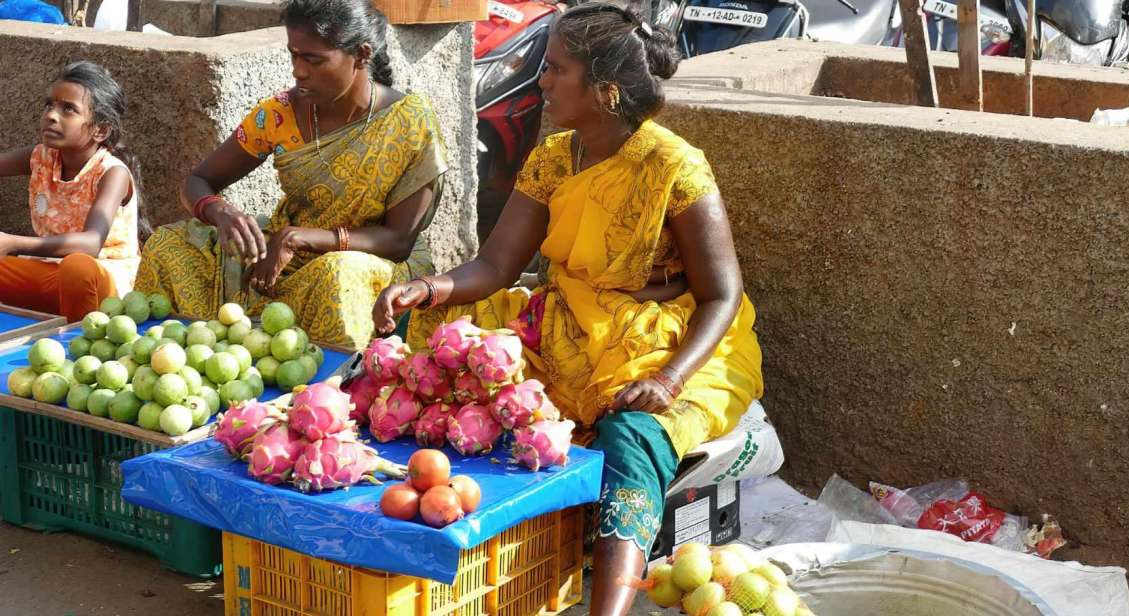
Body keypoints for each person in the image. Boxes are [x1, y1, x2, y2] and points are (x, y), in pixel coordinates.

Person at [372, 4, 763, 614]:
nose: (542, 82)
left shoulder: (675, 167)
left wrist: (668, 380)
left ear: (605, 90)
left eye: (554, 69)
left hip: (669, 344)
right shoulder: (555, 156)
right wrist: (427, 290)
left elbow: (722, 294)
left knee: (631, 434)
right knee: (426, 335)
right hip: (567, 324)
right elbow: (495, 268)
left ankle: (607, 606)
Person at [135, 0, 447, 349]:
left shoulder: (410, 123)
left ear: (361, 55)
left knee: (337, 274)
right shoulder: (280, 114)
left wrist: (301, 237)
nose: (299, 71)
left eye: (313, 60)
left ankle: (325, 389)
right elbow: (198, 181)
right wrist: (220, 211)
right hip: (281, 255)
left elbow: (398, 241)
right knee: (167, 244)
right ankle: (169, 361)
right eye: (294, 55)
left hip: (369, 263)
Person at [0, 61, 139, 322]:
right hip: (51, 276)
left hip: (100, 286)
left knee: (77, 267)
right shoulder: (40, 157)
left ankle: (82, 341)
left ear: (100, 130)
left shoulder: (112, 173)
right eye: (49, 105)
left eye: (68, 110)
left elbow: (91, 243)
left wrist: (12, 243)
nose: (51, 115)